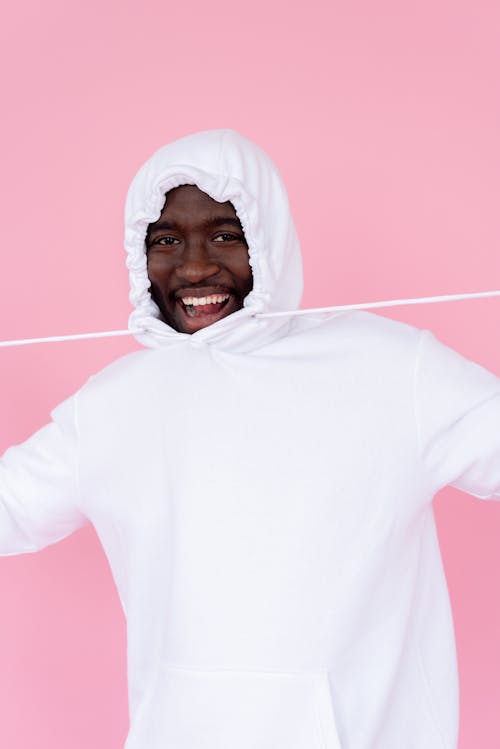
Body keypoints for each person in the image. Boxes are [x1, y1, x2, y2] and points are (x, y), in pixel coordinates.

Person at [1, 128, 499, 749]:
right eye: (166, 239)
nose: (195, 266)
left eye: (224, 234)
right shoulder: (112, 404)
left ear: (270, 237)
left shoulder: (393, 367)